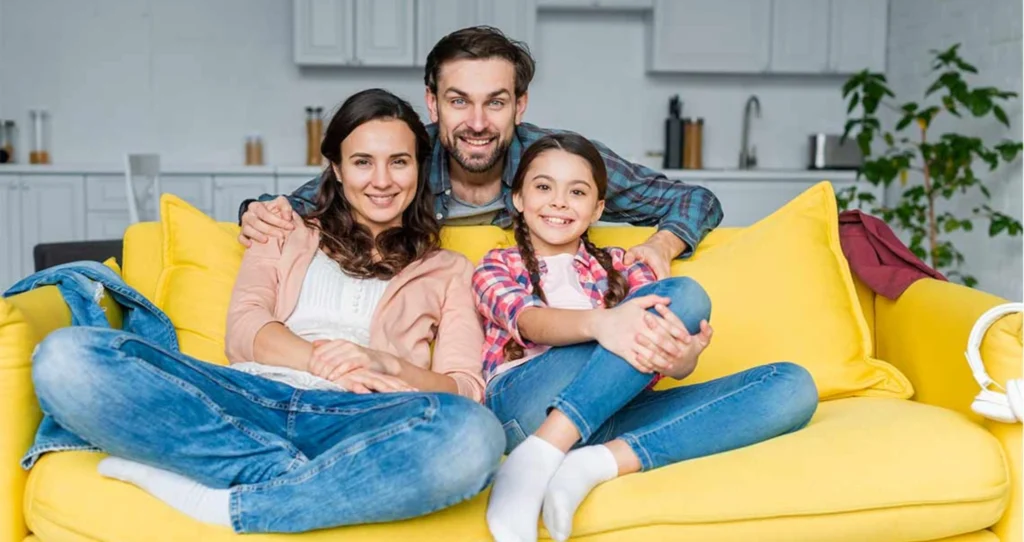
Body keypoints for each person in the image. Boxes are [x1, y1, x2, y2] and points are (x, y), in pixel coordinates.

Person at [30, 89, 505, 534]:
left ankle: (232, 500)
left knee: (475, 436)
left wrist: (385, 363)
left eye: (398, 162)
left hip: (363, 417)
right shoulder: (282, 229)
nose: (381, 180)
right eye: (362, 161)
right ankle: (292, 473)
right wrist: (322, 358)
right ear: (337, 169)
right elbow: (245, 331)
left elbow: (464, 389)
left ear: (420, 168)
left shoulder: (449, 270)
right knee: (64, 358)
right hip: (246, 398)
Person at [472, 133, 819, 542]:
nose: (559, 202)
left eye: (577, 191)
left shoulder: (626, 265)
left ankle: (594, 463)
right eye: (543, 187)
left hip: (613, 411)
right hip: (527, 406)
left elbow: (659, 341)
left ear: (598, 207)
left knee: (792, 385)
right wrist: (603, 323)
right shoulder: (497, 264)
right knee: (681, 295)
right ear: (518, 199)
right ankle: (540, 454)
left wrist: (680, 362)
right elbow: (529, 322)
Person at [238, 26, 723, 279]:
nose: (476, 123)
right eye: (458, 101)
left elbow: (696, 201)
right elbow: (296, 207)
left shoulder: (557, 163)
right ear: (432, 103)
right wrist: (255, 213)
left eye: (495, 102)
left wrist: (661, 246)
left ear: (520, 104)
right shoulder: (404, 160)